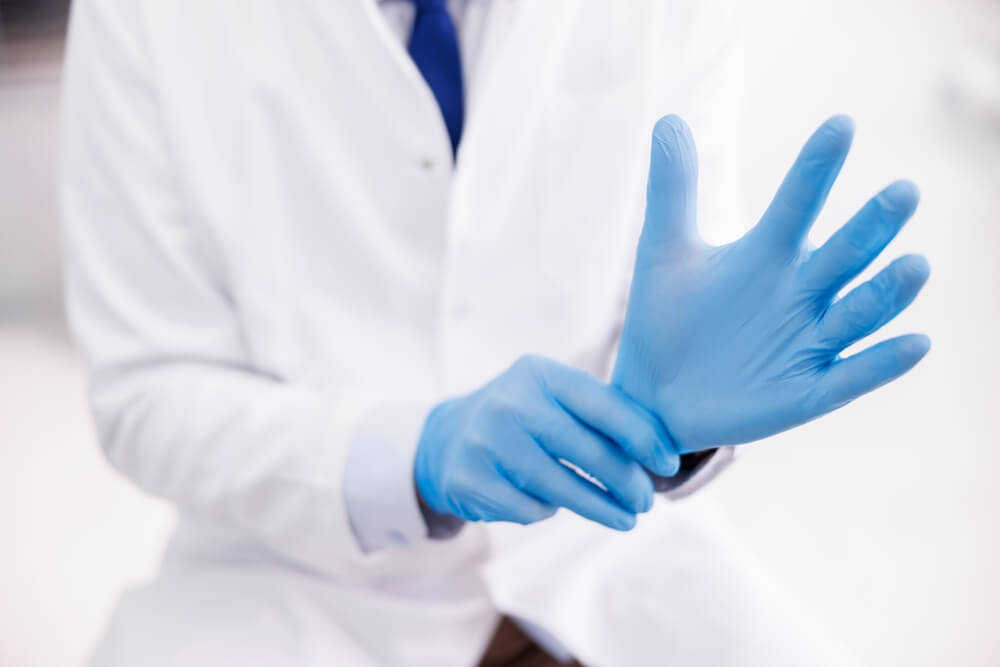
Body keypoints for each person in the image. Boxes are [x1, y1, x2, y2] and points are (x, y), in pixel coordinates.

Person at [61, 1, 930, 665]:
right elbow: (148, 389)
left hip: (600, 553)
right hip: (290, 582)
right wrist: (414, 457)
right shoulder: (148, 19)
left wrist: (680, 429)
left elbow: (684, 273)